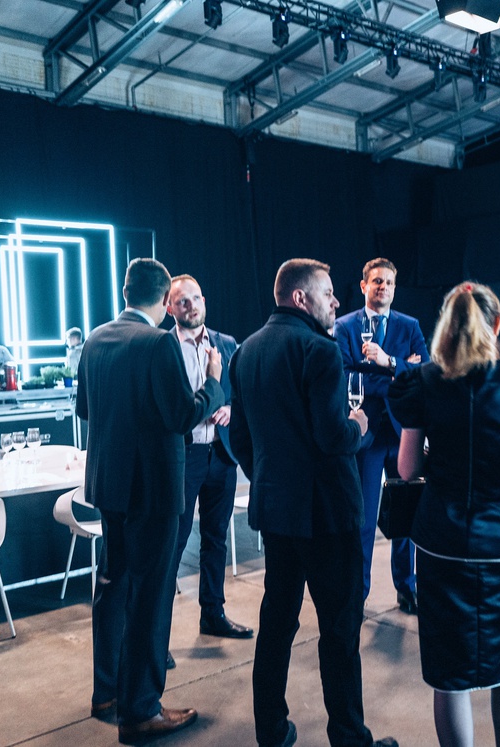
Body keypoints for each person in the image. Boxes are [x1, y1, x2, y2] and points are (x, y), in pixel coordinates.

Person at [229, 258, 397, 747]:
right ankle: (349, 738)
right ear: (300, 298)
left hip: (278, 516)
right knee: (340, 632)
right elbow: (332, 437)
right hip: (329, 516)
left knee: (276, 626)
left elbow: (239, 439)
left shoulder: (245, 351)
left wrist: (271, 480)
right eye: (327, 293)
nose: (337, 301)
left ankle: (271, 731)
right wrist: (359, 425)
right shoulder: (320, 350)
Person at [389, 282, 500, 747]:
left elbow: (407, 468)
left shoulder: (422, 382)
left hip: (442, 542)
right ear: (498, 324)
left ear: (445, 324)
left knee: (450, 675)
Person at [75, 258, 224, 744]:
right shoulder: (159, 342)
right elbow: (183, 416)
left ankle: (107, 692)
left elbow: (84, 409)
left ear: (125, 293)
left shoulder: (95, 338)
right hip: (153, 489)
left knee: (112, 584)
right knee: (151, 596)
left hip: (109, 485)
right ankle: (141, 710)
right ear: (164, 300)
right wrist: (213, 382)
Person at [333, 258, 428, 614]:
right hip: (367, 433)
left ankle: (407, 588)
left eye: (388, 282)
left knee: (405, 516)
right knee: (363, 519)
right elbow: (344, 375)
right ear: (363, 286)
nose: (383, 287)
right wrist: (400, 374)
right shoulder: (345, 326)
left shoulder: (409, 325)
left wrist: (389, 362)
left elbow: (424, 372)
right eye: (376, 281)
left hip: (405, 434)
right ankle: (357, 594)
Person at [165, 274, 252, 640]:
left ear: (205, 301)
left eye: (196, 298)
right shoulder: (163, 347)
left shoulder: (226, 343)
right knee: (174, 543)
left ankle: (213, 614)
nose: (191, 306)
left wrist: (231, 408)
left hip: (221, 453)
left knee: (216, 538)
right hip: (183, 457)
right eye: (182, 301)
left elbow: (242, 392)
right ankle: (158, 636)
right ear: (169, 308)